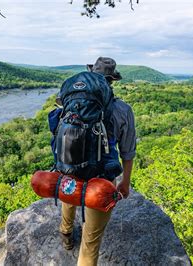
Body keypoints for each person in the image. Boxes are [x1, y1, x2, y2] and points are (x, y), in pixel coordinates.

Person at [58, 57, 136, 266]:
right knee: (90, 243)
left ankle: (66, 233)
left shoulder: (71, 103)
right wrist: (125, 183)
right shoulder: (123, 110)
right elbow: (127, 152)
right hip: (101, 181)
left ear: (91, 75)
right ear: (112, 80)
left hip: (70, 170)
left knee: (70, 193)